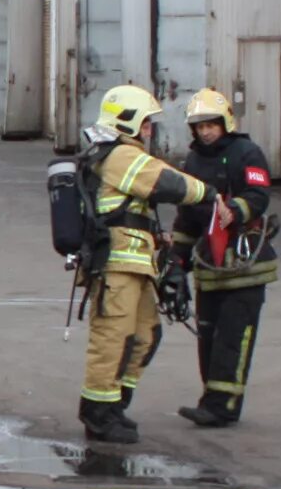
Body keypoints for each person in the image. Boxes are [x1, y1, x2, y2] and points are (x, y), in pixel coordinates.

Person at [75, 84, 212, 445]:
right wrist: (210, 194)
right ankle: (98, 414)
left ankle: (115, 404)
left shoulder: (122, 155)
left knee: (145, 335)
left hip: (135, 265)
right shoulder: (120, 155)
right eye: (147, 123)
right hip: (116, 267)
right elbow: (167, 182)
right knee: (112, 338)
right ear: (128, 121)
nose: (151, 130)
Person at [170, 88, 278, 428]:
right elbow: (187, 218)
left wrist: (236, 209)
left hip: (245, 266)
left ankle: (222, 407)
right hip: (210, 267)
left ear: (225, 122)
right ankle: (212, 400)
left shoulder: (248, 153)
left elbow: (259, 195)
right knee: (208, 336)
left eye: (211, 125)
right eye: (199, 126)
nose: (205, 132)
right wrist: (177, 263)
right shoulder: (192, 161)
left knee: (233, 338)